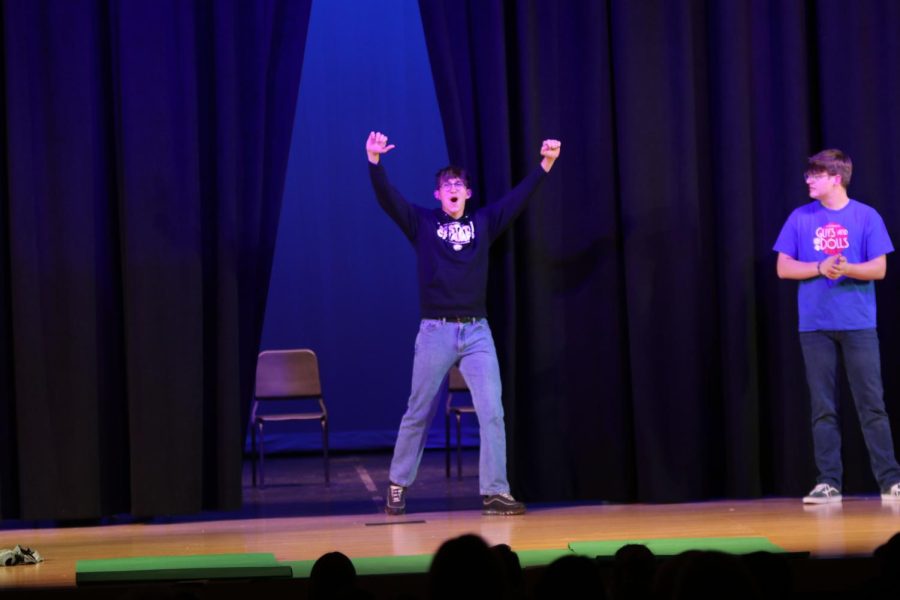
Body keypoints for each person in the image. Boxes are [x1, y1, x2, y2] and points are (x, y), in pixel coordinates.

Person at [366, 130, 561, 515]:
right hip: (436, 329)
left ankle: (494, 491)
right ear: (438, 195)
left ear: (467, 194)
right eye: (446, 185)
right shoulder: (422, 223)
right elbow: (390, 200)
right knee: (418, 410)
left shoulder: (484, 222)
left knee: (492, 411)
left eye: (459, 184)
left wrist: (546, 165)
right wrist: (374, 163)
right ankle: (397, 484)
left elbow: (517, 200)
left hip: (476, 332)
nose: (453, 189)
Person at [774, 148, 900, 504]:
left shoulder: (866, 216)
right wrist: (819, 267)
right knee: (823, 407)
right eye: (808, 174)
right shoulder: (800, 217)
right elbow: (783, 268)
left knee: (871, 404)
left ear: (836, 178)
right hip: (815, 327)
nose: (808, 180)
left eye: (816, 174)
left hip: (858, 324)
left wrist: (844, 268)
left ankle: (891, 480)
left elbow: (878, 269)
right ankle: (828, 481)